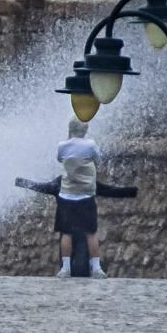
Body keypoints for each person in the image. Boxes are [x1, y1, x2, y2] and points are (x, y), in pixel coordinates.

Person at [55, 118, 106, 278]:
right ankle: (97, 268)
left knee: (67, 233)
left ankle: (66, 269)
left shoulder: (62, 146)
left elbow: (60, 159)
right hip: (86, 195)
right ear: (85, 130)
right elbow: (99, 160)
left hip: (66, 195)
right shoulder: (90, 145)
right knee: (91, 232)